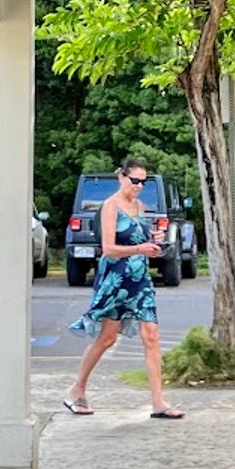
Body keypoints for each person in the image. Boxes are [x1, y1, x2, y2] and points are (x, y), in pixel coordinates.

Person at [62, 160, 184, 420]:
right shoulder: (110, 206)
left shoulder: (141, 207)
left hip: (140, 278)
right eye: (135, 180)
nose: (139, 186)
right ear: (122, 178)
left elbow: (141, 240)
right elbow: (108, 249)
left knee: (151, 335)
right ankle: (77, 388)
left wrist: (153, 242)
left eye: (143, 182)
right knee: (107, 338)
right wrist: (140, 249)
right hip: (116, 279)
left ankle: (158, 402)